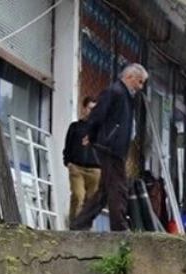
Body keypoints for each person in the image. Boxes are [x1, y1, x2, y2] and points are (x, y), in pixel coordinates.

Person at [70, 64, 148, 232]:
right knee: (118, 186)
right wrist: (90, 135)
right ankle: (119, 227)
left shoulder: (126, 96)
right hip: (110, 146)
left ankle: (80, 222)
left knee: (105, 191)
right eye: (139, 82)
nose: (140, 87)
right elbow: (98, 115)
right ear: (129, 77)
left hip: (115, 147)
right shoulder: (115, 92)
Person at [63, 96, 100, 226]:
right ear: (84, 108)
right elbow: (68, 146)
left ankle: (86, 227)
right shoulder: (75, 127)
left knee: (91, 201)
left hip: (95, 169)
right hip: (77, 167)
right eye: (90, 108)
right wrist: (68, 162)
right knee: (78, 195)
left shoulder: (100, 129)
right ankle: (74, 225)